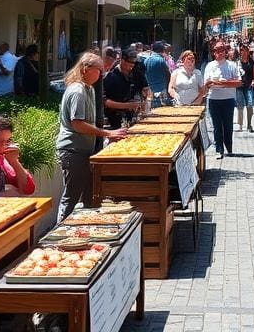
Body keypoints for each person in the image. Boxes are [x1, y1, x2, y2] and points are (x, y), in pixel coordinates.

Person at [56, 52, 128, 219]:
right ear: (85, 69)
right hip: (73, 150)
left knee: (89, 194)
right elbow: (78, 124)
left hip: (84, 149)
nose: (101, 75)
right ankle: (59, 233)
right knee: (72, 196)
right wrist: (107, 133)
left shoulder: (88, 89)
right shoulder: (78, 91)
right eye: (98, 70)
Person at [204, 42, 242, 159]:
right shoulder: (209, 66)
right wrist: (213, 83)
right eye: (216, 51)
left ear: (225, 52)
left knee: (228, 124)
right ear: (213, 53)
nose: (219, 53)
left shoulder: (232, 65)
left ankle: (229, 146)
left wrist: (223, 83)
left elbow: (238, 82)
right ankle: (218, 149)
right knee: (216, 126)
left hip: (228, 99)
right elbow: (206, 84)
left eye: (221, 51)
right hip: (213, 99)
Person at [103, 47, 148, 129]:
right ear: (122, 60)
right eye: (130, 62)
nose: (133, 65)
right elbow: (105, 101)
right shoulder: (111, 76)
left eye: (134, 63)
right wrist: (126, 105)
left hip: (133, 117)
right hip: (114, 119)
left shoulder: (137, 73)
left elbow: (145, 88)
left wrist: (142, 102)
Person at [236, 43, 254, 132]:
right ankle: (240, 125)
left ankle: (249, 124)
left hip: (249, 86)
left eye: (245, 50)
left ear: (248, 51)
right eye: (242, 50)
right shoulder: (237, 62)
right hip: (240, 87)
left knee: (250, 105)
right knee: (240, 106)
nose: (244, 52)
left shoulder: (252, 62)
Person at [144, 41, 172, 108]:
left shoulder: (146, 60)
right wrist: (169, 91)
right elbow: (168, 75)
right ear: (162, 50)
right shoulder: (161, 60)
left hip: (150, 92)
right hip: (161, 92)